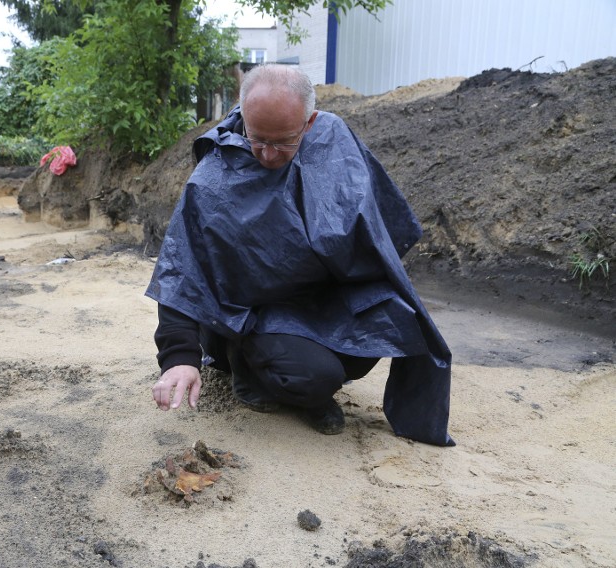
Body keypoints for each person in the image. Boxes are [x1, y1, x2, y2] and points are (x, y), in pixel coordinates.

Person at [146, 64, 454, 446]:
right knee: (316, 377)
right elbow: (181, 268)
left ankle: (290, 373)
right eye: (258, 139)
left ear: (308, 124)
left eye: (284, 142)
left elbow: (375, 221)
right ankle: (246, 367)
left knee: (388, 326)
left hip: (316, 298)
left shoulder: (332, 137)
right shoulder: (214, 178)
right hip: (248, 314)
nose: (269, 154)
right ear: (243, 116)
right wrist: (179, 357)